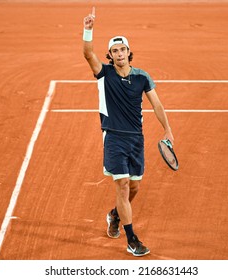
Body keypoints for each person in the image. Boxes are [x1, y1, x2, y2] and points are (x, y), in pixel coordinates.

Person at [82, 8, 174, 257]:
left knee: (134, 188)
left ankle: (114, 215)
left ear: (128, 52)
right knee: (122, 185)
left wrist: (168, 129)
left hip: (136, 139)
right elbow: (87, 53)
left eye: (123, 50)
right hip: (113, 136)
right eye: (115, 51)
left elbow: (156, 104)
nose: (119, 54)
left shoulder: (142, 77)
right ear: (110, 56)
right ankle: (132, 238)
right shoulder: (104, 75)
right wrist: (88, 28)